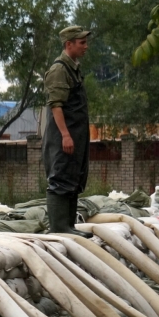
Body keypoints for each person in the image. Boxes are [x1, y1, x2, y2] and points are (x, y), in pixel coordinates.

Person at [43, 25, 93, 237]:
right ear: (68, 44)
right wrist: (65, 135)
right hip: (64, 137)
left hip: (76, 136)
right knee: (61, 178)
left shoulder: (72, 68)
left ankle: (69, 225)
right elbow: (56, 106)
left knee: (74, 179)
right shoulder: (59, 70)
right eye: (82, 42)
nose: (86, 46)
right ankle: (59, 227)